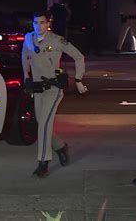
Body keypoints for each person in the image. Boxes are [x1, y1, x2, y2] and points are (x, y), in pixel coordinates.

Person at [21, 11, 88, 178]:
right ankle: (60, 146)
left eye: (42, 23)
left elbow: (79, 57)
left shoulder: (57, 40)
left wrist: (78, 80)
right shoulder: (28, 38)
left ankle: (43, 163)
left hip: (53, 89)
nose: (39, 26)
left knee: (43, 124)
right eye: (36, 23)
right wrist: (26, 76)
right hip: (37, 89)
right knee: (41, 125)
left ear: (48, 23)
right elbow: (24, 56)